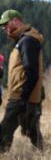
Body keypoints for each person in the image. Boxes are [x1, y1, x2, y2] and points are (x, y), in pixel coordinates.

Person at [0, 9, 44, 152]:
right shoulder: (23, 40)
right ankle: (41, 156)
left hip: (21, 95)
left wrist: (23, 97)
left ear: (16, 21)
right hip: (23, 95)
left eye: (6, 24)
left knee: (5, 130)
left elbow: (31, 71)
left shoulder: (27, 41)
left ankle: (2, 155)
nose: (4, 28)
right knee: (31, 129)